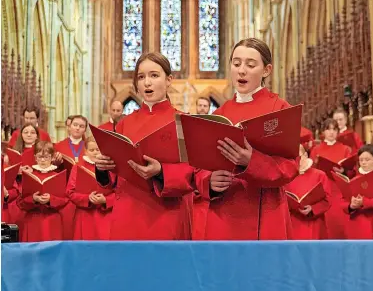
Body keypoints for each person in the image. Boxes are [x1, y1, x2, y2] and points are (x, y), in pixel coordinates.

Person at [192, 38, 298, 241]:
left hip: (267, 213)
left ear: (266, 70)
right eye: (236, 63)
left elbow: (291, 167)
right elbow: (200, 167)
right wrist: (209, 182)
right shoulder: (219, 114)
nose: (241, 70)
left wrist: (251, 161)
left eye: (250, 65)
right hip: (224, 216)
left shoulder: (280, 108)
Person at [95, 52, 193, 240]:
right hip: (128, 213)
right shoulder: (124, 123)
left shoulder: (184, 121)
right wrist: (102, 167)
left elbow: (195, 171)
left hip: (167, 213)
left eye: (154, 75)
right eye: (141, 77)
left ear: (169, 80)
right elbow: (114, 176)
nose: (146, 82)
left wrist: (161, 171)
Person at [16, 141, 68, 241]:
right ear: (35, 158)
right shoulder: (29, 176)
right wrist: (33, 199)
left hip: (52, 219)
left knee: (52, 251)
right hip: (33, 219)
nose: (43, 160)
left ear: (52, 158)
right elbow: (20, 202)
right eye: (40, 157)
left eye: (46, 157)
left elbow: (65, 200)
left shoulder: (57, 176)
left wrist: (51, 199)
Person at [310, 118, 353, 239]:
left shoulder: (345, 149)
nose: (331, 132)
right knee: (326, 227)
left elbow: (351, 171)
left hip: (339, 190)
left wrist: (343, 171)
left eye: (334, 129)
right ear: (323, 132)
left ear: (338, 132)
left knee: (340, 225)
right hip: (323, 190)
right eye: (328, 129)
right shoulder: (316, 150)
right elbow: (311, 171)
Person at [340, 144, 373, 239]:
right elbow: (344, 201)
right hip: (358, 223)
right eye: (361, 160)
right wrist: (351, 206)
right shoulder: (354, 180)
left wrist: (364, 202)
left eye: (367, 159)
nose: (363, 163)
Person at [66, 137, 114, 240]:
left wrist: (106, 200)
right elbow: (70, 192)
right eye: (92, 150)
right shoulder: (77, 167)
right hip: (84, 216)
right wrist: (87, 198)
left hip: (105, 215)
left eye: (98, 150)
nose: (95, 153)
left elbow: (119, 192)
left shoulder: (111, 167)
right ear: (85, 151)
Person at [286, 145, 332, 240]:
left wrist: (313, 208)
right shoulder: (286, 176)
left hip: (314, 223)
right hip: (293, 222)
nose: (296, 160)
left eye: (299, 156)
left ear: (306, 155)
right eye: (293, 157)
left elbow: (328, 200)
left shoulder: (320, 175)